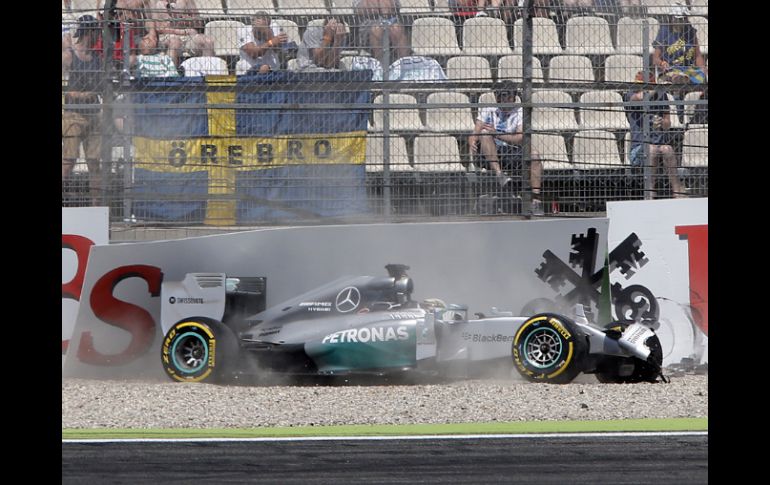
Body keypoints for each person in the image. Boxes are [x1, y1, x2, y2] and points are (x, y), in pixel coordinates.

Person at [469, 82, 544, 214]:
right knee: (485, 134)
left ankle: (535, 199)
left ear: (513, 97)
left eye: (506, 96)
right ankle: (500, 175)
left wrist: (497, 134)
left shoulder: (520, 112)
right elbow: (474, 134)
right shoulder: (488, 110)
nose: (503, 99)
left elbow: (520, 138)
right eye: (499, 96)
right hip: (488, 152)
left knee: (535, 155)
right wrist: (472, 141)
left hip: (512, 150)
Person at [62, 15, 106, 206]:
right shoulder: (69, 55)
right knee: (68, 160)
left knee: (94, 162)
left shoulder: (97, 59)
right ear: (89, 32)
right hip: (73, 114)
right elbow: (65, 87)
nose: (98, 37)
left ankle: (96, 204)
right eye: (96, 32)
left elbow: (102, 87)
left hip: (94, 114)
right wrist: (81, 95)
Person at [624, 71, 687, 199]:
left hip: (659, 143)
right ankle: (650, 191)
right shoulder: (630, 94)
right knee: (652, 149)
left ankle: (677, 191)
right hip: (639, 148)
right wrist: (656, 87)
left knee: (668, 149)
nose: (640, 87)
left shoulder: (662, 96)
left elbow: (668, 123)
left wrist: (661, 122)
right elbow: (639, 98)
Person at [652, 3, 707, 85]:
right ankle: (682, 83)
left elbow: (697, 55)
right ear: (672, 18)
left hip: (688, 69)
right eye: (679, 19)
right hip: (670, 69)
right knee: (677, 77)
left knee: (701, 76)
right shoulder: (664, 32)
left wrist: (703, 68)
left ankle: (687, 81)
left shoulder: (690, 31)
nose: (682, 21)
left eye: (684, 19)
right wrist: (662, 63)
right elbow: (655, 58)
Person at [148, 0, 215, 67]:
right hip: (168, 36)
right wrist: (180, 31)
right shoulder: (157, 3)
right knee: (174, 42)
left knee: (208, 41)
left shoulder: (187, 1)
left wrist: (188, 20)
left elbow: (199, 23)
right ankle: (171, 72)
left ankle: (208, 71)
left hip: (189, 36)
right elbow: (158, 28)